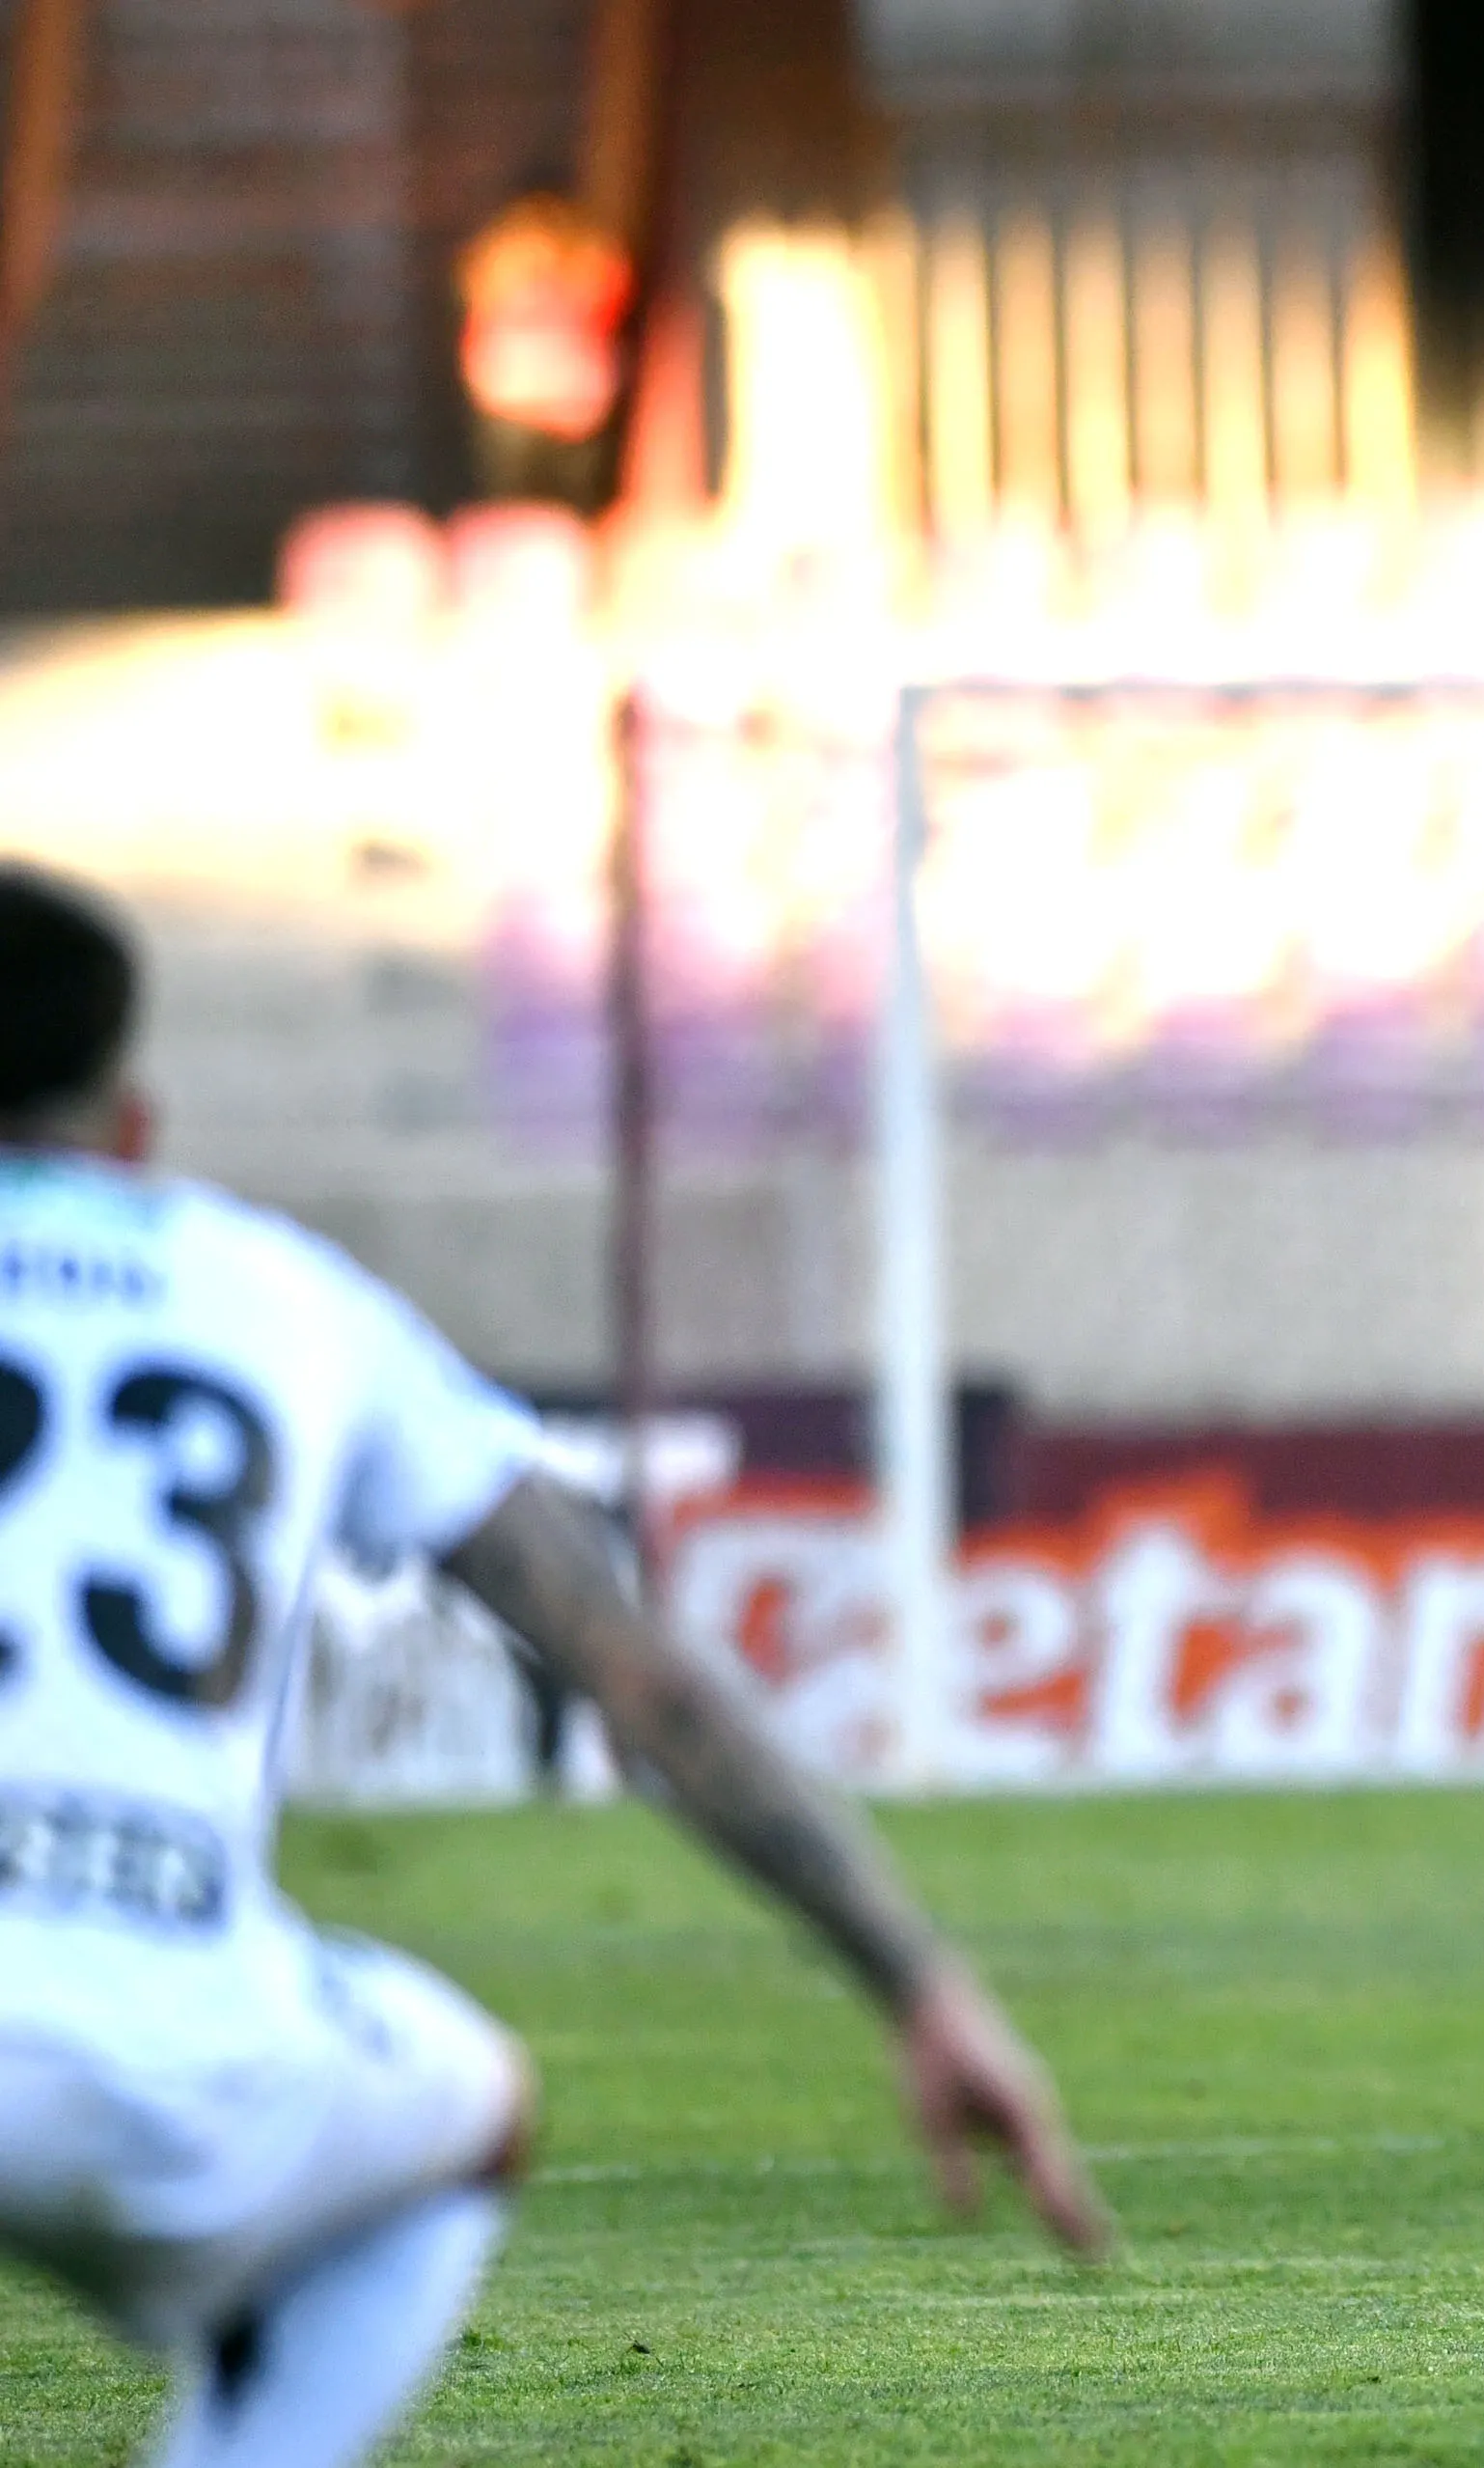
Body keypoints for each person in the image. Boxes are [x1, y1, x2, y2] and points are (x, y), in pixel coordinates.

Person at [0, 864, 1109, 2465]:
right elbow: (642, 1682)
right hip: (179, 2047)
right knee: (471, 2119)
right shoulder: (284, 1297)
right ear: (133, 1128)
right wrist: (920, 1982)